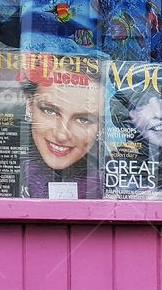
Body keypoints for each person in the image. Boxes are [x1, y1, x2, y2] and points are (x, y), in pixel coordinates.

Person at [21, 62, 103, 199]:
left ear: (103, 126)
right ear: (29, 105)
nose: (62, 135)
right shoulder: (2, 169)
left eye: (83, 120)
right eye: (50, 111)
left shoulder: (113, 184)